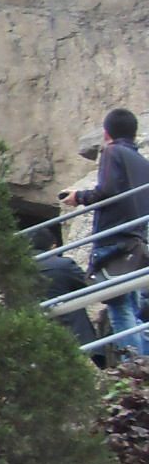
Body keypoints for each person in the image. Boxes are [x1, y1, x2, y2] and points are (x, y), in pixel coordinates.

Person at [62, 107, 149, 356]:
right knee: (132, 307)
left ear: (106, 133)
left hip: (113, 240)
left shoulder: (112, 151)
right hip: (136, 241)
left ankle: (134, 363)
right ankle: (142, 360)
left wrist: (79, 196)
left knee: (119, 308)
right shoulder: (143, 163)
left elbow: (107, 190)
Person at [27, 224, 99, 350]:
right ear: (53, 246)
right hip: (74, 334)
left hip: (35, 338)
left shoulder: (14, 271)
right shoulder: (63, 265)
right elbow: (91, 287)